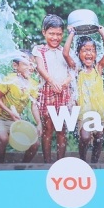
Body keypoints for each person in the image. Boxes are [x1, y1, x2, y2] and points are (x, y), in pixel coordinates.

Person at [63, 24, 104, 164]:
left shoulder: (98, 68)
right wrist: (72, 34)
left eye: (92, 50)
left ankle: (94, 163)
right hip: (85, 112)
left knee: (99, 137)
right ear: (79, 53)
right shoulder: (77, 69)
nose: (89, 53)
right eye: (85, 50)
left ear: (96, 54)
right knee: (85, 137)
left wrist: (102, 32)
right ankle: (82, 161)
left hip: (100, 111)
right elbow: (65, 53)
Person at [33, 14, 73, 163]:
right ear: (44, 32)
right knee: (48, 128)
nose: (55, 37)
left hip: (63, 93)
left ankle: (61, 162)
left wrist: (64, 82)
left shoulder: (65, 51)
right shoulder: (39, 50)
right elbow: (40, 68)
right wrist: (51, 81)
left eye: (58, 34)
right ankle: (47, 162)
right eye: (51, 33)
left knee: (61, 129)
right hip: (47, 92)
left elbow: (72, 71)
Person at [0, 52, 41, 163]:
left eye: (31, 64)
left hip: (17, 120)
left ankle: (23, 167)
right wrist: (10, 112)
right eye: (25, 64)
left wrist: (39, 122)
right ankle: (0, 166)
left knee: (35, 144)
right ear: (16, 66)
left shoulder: (33, 84)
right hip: (1, 118)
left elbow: (34, 106)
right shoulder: (9, 80)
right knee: (3, 139)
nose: (29, 67)